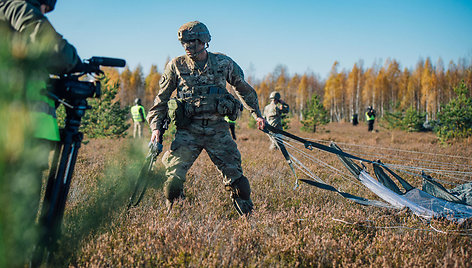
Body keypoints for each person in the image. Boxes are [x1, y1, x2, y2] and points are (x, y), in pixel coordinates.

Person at [147, 21, 266, 216]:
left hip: (217, 130)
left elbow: (243, 89)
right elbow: (161, 99)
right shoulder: (176, 65)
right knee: (172, 185)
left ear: (204, 41)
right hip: (187, 132)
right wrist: (156, 128)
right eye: (184, 43)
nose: (188, 46)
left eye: (192, 41)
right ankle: (175, 223)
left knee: (239, 183)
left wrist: (257, 115)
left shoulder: (223, 63)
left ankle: (250, 222)